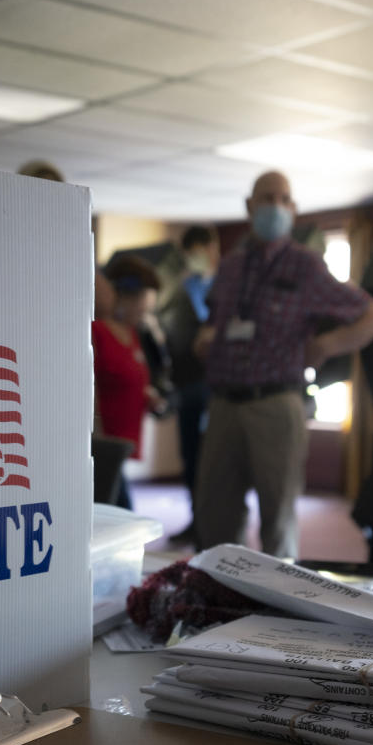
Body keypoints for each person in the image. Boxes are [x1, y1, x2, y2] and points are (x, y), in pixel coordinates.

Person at [193, 171, 373, 559]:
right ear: (250, 206)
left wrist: (328, 344)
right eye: (267, 198)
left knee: (277, 518)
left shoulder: (304, 266)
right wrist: (205, 338)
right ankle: (215, 602)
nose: (275, 207)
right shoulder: (231, 266)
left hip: (276, 404)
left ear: (293, 209)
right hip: (223, 404)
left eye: (284, 199)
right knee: (213, 518)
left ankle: (277, 611)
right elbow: (213, 322)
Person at [159, 225, 220, 546]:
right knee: (190, 456)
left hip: (212, 387)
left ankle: (211, 524)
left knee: (211, 460)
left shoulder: (224, 286)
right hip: (186, 386)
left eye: (200, 250)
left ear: (213, 249)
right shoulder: (180, 289)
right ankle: (196, 520)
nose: (196, 258)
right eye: (190, 252)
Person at [92, 255, 165, 509]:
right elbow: (92, 389)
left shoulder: (132, 333)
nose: (143, 312)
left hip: (124, 441)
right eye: (141, 305)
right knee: (122, 514)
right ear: (122, 295)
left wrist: (148, 396)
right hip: (104, 444)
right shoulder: (97, 331)